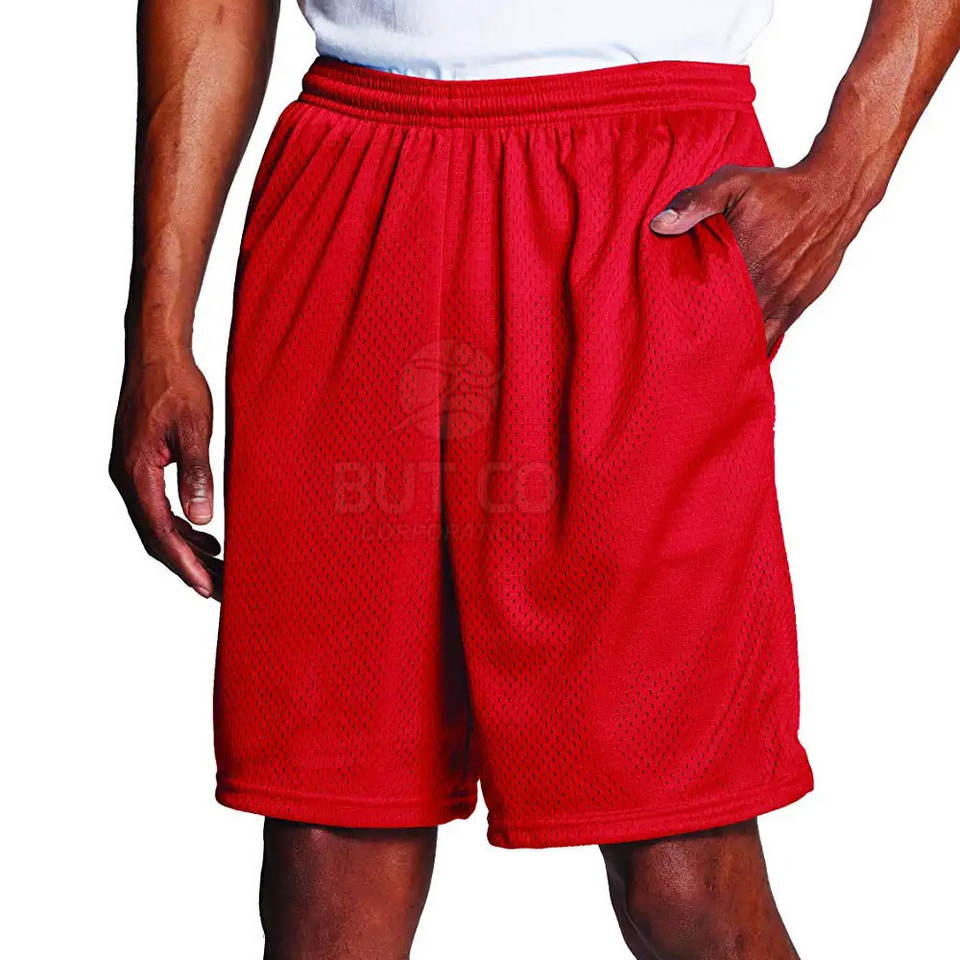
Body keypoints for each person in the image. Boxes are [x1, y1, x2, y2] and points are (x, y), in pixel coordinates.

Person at [110, 1, 960, 956]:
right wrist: (157, 330)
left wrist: (848, 175)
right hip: (355, 177)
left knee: (683, 868)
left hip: (643, 194)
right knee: (328, 875)